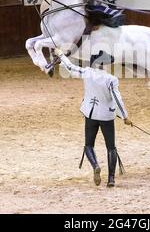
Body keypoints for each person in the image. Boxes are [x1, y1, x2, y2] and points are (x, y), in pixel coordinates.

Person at [54, 48, 132, 187]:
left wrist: (60, 54)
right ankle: (111, 179)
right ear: (103, 64)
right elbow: (117, 99)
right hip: (106, 116)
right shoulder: (111, 79)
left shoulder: (87, 73)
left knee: (88, 145)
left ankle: (95, 165)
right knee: (111, 147)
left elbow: (71, 68)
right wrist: (125, 116)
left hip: (90, 114)